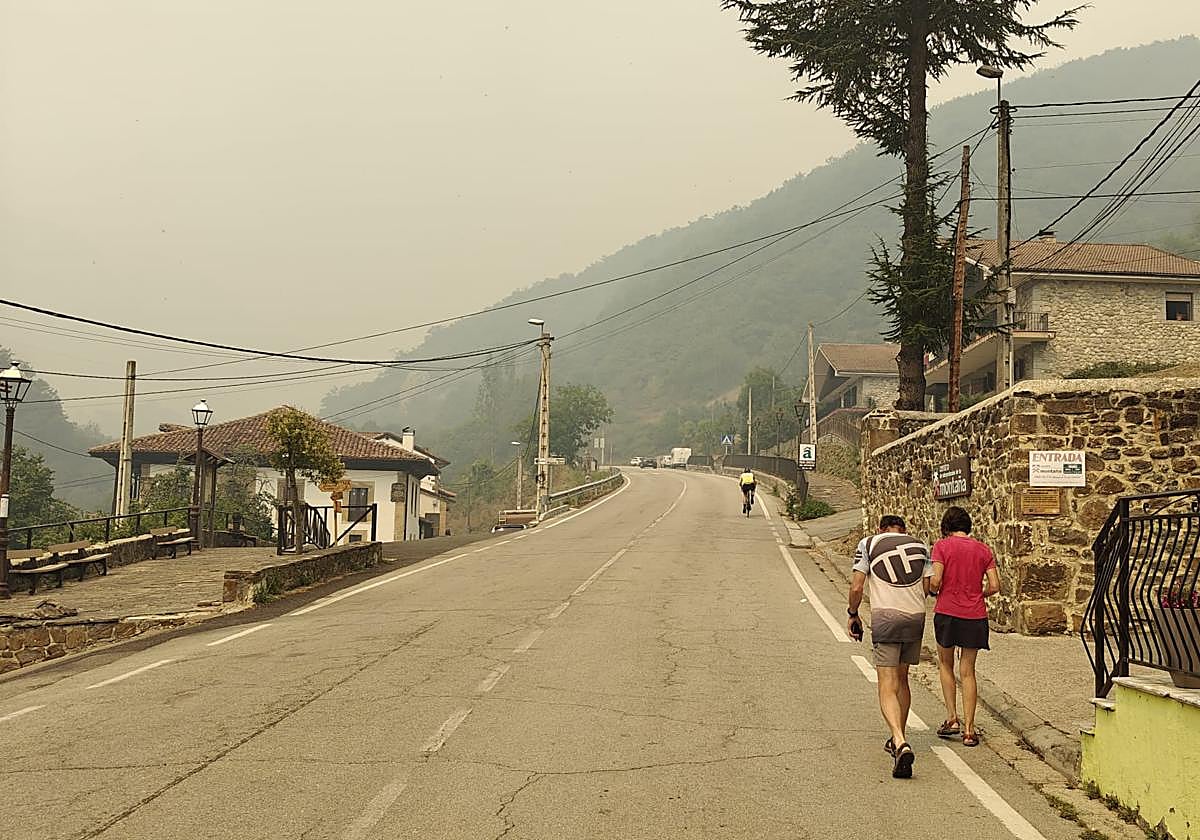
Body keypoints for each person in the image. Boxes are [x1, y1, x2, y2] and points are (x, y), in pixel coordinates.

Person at [848, 514, 932, 779]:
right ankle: (900, 735)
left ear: (881, 528)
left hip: (886, 619)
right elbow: (928, 586)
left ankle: (898, 740)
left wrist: (853, 613)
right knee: (903, 680)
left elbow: (857, 586)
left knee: (886, 682)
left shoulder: (869, 544)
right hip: (915, 618)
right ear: (904, 529)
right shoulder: (921, 546)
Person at [930, 506, 1001, 748]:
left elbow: (936, 580)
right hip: (974, 614)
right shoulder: (983, 550)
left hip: (947, 611)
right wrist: (978, 594)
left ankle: (952, 719)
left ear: (946, 525)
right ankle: (970, 730)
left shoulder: (941, 546)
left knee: (945, 664)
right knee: (968, 671)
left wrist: (933, 589)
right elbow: (995, 585)